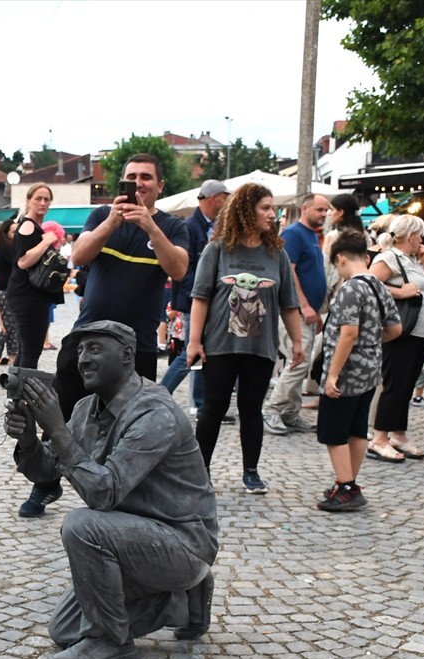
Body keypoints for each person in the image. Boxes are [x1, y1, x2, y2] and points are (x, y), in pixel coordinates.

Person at [5, 321, 219, 659]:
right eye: (79, 351)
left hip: (183, 542)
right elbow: (46, 471)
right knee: (64, 630)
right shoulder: (85, 409)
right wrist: (29, 438)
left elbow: (103, 493)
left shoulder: (154, 413)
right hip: (132, 537)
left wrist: (57, 429)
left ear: (127, 355)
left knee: (82, 525)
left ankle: (111, 641)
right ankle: (181, 600)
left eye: (94, 349)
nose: (83, 360)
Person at [18, 153, 189, 517]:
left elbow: (178, 269)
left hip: (136, 345)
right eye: (132, 176)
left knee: (133, 421)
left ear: (160, 185)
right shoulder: (101, 216)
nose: (138, 183)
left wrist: (150, 227)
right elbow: (79, 256)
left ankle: (124, 492)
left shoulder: (172, 226)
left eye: (146, 177)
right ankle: (46, 483)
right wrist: (112, 222)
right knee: (62, 414)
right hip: (87, 338)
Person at [187, 182, 303, 493]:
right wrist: (194, 341)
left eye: (272, 208)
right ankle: (200, 472)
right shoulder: (217, 249)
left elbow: (288, 303)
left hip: (260, 347)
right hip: (220, 345)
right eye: (265, 208)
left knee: (252, 410)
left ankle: (251, 472)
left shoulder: (276, 253)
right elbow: (201, 297)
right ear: (246, 210)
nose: (272, 214)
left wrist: (297, 342)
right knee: (213, 408)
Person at [317, 232, 402, 511]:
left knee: (333, 432)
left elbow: (349, 333)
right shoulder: (379, 285)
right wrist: (371, 342)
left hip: (347, 372)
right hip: (370, 370)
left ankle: (346, 488)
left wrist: (332, 374)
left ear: (341, 259)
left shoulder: (350, 289)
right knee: (356, 430)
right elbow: (395, 329)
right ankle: (348, 481)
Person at [366, 215, 424, 463]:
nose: (422, 240)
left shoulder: (412, 260)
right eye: (420, 236)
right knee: (395, 383)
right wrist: (400, 292)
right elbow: (368, 283)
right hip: (401, 330)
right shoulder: (390, 257)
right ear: (411, 236)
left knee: (407, 384)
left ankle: (398, 433)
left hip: (419, 332)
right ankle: (379, 438)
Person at [263, 193, 331, 436]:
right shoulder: (293, 234)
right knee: (298, 362)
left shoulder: (312, 235)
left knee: (302, 363)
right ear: (305, 208)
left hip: (308, 312)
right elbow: (289, 272)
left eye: (326, 210)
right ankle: (272, 409)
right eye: (320, 209)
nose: (324, 214)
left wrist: (316, 309)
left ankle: (290, 413)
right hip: (294, 311)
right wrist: (303, 305)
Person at [161, 179, 228, 411]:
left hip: (205, 298)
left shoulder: (214, 224)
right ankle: (163, 394)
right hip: (194, 299)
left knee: (200, 350)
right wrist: (198, 295)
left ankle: (198, 403)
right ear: (213, 198)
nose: (227, 202)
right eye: (224, 198)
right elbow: (184, 269)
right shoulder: (190, 226)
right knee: (191, 350)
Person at [7, 183, 62, 371]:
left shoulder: (33, 226)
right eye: (38, 198)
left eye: (47, 199)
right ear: (28, 201)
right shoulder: (28, 225)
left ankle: (17, 388)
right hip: (27, 295)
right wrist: (46, 242)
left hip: (29, 295)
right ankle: (24, 388)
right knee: (31, 352)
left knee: (25, 351)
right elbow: (23, 261)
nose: (43, 203)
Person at [0, 218, 19, 365]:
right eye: (14, 232)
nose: (17, 234)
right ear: (5, 233)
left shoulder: (5, 248)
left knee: (12, 324)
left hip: (7, 289)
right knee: (5, 324)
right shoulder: (4, 250)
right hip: (3, 290)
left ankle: (12, 354)